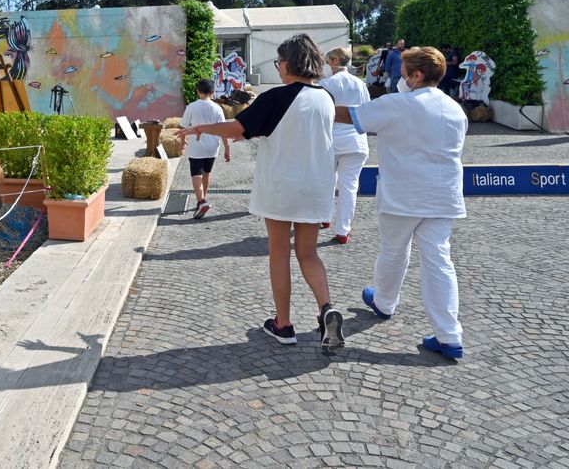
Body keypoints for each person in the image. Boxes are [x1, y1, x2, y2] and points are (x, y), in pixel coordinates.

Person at [176, 34, 345, 353]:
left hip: (282, 186)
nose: (278, 68)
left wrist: (198, 129)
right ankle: (326, 308)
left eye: (279, 62)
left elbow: (236, 127)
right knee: (308, 253)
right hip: (316, 185)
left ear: (290, 62)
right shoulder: (324, 97)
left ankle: (283, 324)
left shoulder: (276, 97)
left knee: (279, 252)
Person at [336, 46, 467, 359]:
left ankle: (384, 302)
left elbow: (349, 116)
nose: (399, 77)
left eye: (403, 72)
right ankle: (449, 335)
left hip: (403, 195)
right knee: (439, 261)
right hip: (443, 195)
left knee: (394, 251)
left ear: (417, 76)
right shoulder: (455, 109)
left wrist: (309, 102)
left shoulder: (397, 103)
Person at [319, 47, 371, 245]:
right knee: (349, 186)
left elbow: (321, 113)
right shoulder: (360, 84)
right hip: (356, 139)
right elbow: (367, 111)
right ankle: (343, 230)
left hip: (331, 139)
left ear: (335, 61)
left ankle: (324, 217)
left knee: (326, 180)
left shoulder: (326, 84)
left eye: (328, 60)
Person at [179, 78, 231, 219]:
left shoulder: (192, 107)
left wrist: (182, 142)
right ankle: (203, 199)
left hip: (196, 146)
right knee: (207, 173)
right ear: (213, 92)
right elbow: (223, 130)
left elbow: (183, 127)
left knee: (196, 174)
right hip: (213, 147)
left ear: (198, 92)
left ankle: (201, 201)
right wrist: (227, 149)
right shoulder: (217, 108)